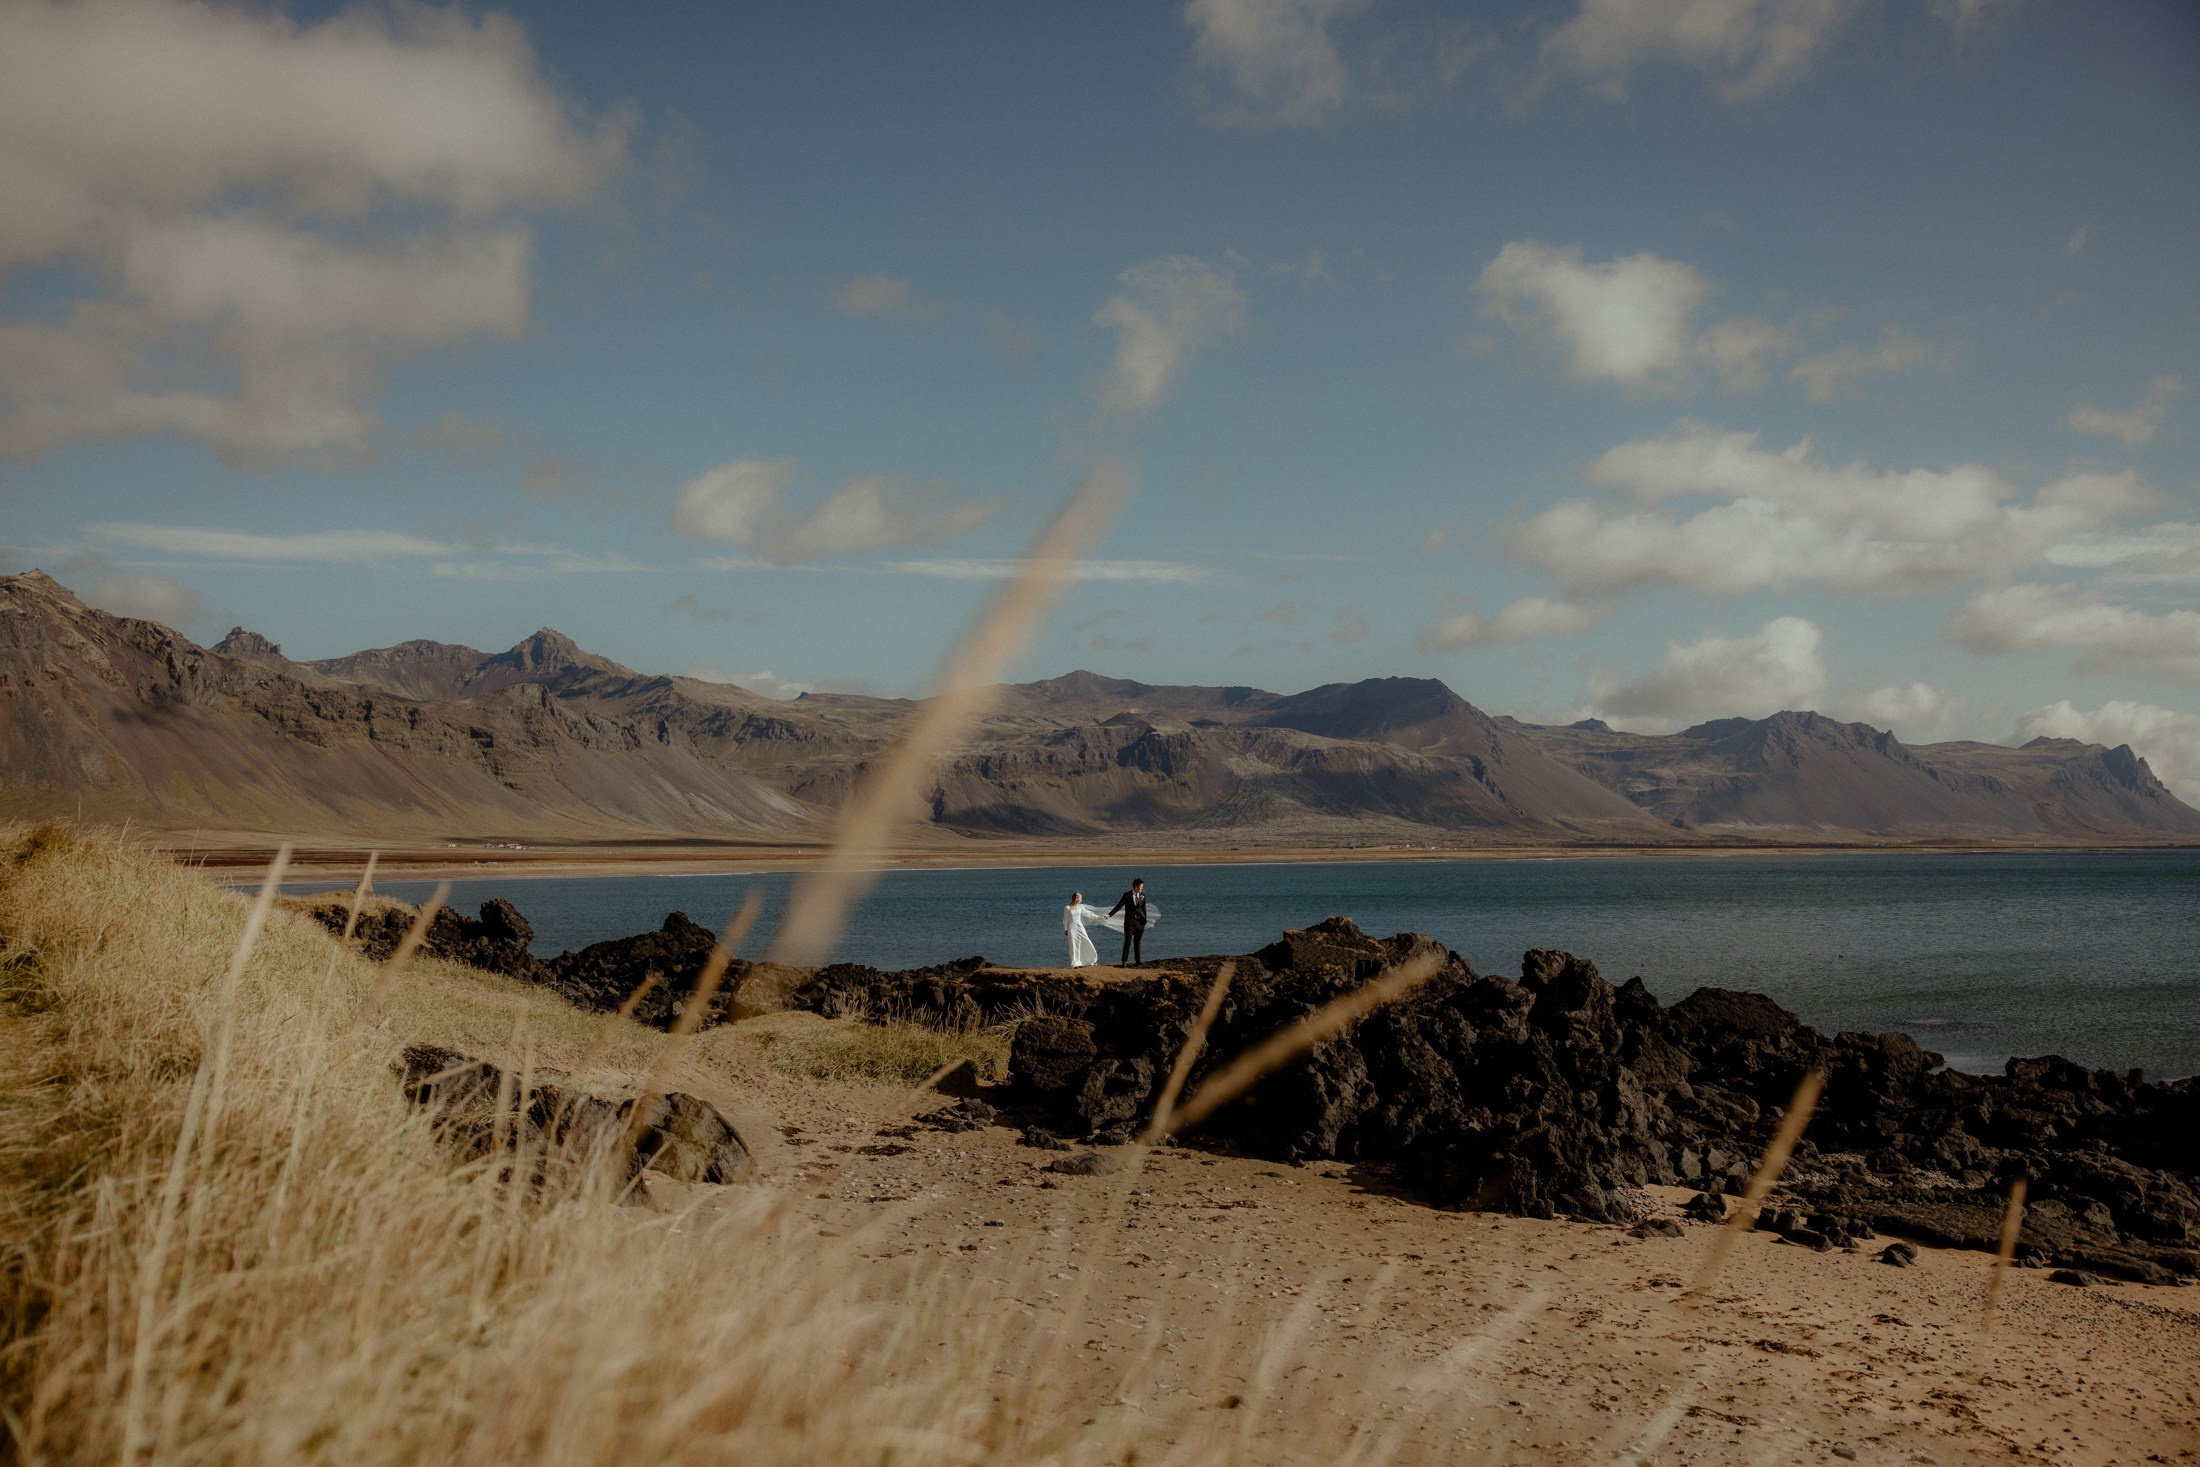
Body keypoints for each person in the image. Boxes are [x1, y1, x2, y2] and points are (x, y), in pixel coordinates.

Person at [1107, 877, 1150, 965]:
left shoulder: (1143, 896)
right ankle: (1124, 961)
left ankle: (1138, 961)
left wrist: (1145, 919)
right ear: (1136, 887)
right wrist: (1109, 915)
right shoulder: (1127, 895)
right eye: (1141, 886)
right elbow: (1119, 906)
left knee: (1137, 942)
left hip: (1140, 923)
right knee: (1128, 941)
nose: (1142, 888)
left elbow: (1144, 909)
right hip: (1129, 922)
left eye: (1142, 887)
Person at [1063, 890, 1101, 968]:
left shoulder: (1080, 907)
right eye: (1080, 898)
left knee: (1086, 940)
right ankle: (1075, 963)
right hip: (1072, 928)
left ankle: (1089, 959)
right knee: (1073, 945)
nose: (1081, 900)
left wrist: (1098, 917)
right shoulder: (1067, 908)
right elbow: (1065, 919)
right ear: (1076, 898)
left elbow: (1088, 914)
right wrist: (1065, 929)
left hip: (1080, 927)